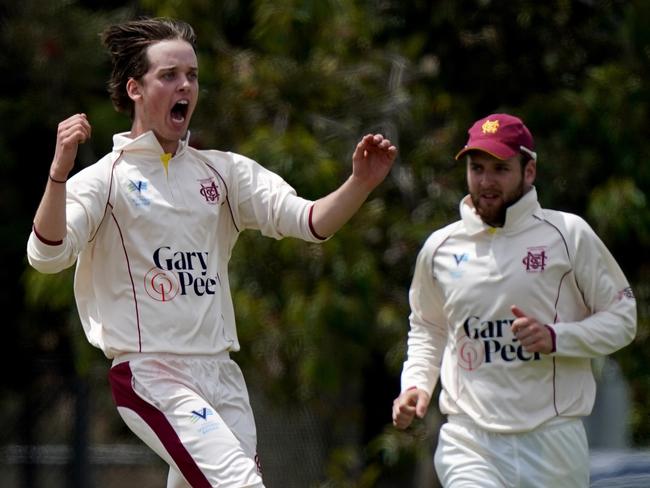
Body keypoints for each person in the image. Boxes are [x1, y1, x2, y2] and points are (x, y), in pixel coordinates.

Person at [26, 17, 397, 488]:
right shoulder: (105, 178)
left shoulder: (222, 173)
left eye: (192, 75)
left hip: (221, 375)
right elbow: (47, 253)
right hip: (152, 374)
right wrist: (58, 174)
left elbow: (309, 222)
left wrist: (360, 183)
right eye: (169, 75)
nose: (185, 85)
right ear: (135, 88)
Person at [391, 113, 636, 487]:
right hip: (469, 439)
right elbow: (428, 326)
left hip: (552, 439)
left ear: (529, 171)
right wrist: (415, 385)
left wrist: (557, 338)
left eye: (500, 169)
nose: (486, 182)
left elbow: (623, 319)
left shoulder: (568, 235)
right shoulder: (441, 247)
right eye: (477, 168)